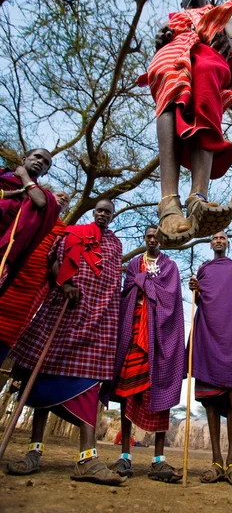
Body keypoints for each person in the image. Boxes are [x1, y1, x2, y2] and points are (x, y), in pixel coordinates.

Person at [7, 199, 125, 486]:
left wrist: (105, 313)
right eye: (99, 210)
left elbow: (112, 282)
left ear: (112, 216)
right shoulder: (72, 232)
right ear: (93, 212)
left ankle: (87, 458)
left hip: (98, 320)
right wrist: (66, 283)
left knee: (88, 384)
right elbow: (54, 260)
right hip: (64, 313)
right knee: (43, 378)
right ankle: (34, 452)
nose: (103, 215)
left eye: (108, 212)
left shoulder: (116, 244)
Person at [138, 0, 232, 246]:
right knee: (170, 91)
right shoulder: (174, 19)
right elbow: (160, 39)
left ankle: (197, 197)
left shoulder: (217, 15)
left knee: (206, 93)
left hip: (208, 53)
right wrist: (161, 39)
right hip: (173, 52)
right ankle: (168, 202)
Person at [111, 225, 185, 482]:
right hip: (134, 332)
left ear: (162, 240)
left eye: (156, 237)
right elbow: (129, 288)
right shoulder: (134, 264)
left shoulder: (171, 267)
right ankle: (125, 455)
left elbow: (171, 297)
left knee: (160, 392)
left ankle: (159, 459)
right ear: (145, 240)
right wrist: (143, 282)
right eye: (148, 237)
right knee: (127, 392)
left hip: (160, 336)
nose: (152, 240)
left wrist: (148, 284)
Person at [188, 231, 232, 487]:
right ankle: (216, 462)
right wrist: (193, 289)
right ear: (210, 244)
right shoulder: (204, 269)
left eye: (223, 238)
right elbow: (199, 300)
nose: (218, 240)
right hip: (208, 336)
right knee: (211, 405)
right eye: (215, 238)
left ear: (227, 243)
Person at [0, 191, 70, 365]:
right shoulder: (27, 211)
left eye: (66, 200)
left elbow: (56, 258)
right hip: (9, 272)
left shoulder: (63, 229)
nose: (62, 198)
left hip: (32, 286)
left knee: (9, 332)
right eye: (59, 195)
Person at [0, 148, 59, 293]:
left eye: (46, 163)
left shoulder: (43, 195)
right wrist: (10, 194)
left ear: (45, 173)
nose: (40, 162)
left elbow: (40, 201)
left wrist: (24, 176)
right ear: (24, 159)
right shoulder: (2, 175)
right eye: (37, 157)